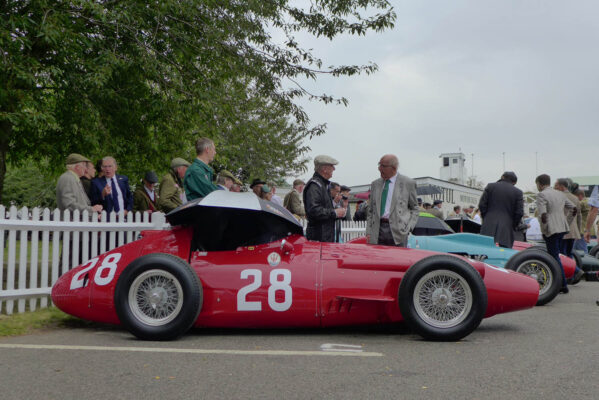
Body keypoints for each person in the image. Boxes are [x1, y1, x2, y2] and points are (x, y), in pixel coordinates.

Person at [366, 154, 419, 247]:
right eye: (379, 164)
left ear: (393, 168)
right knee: (378, 259)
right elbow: (370, 210)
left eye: (383, 166)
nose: (379, 168)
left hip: (398, 232)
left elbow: (415, 208)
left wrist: (409, 227)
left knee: (398, 260)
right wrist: (369, 231)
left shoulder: (408, 183)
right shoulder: (375, 184)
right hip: (377, 230)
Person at [535, 174, 576, 293]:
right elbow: (574, 209)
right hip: (561, 227)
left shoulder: (542, 194)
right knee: (556, 255)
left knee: (554, 257)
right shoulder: (560, 194)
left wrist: (545, 230)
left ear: (539, 184)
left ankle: (562, 284)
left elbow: (543, 215)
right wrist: (566, 222)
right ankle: (561, 283)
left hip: (551, 229)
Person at [303, 155, 346, 242]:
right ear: (324, 169)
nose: (334, 169)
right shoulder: (315, 186)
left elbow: (323, 209)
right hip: (318, 238)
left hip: (323, 236)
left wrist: (338, 212)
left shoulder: (322, 185)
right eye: (332, 166)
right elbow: (314, 210)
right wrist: (334, 213)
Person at [478, 171, 524, 248]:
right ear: (514, 182)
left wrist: (486, 218)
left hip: (488, 225)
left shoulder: (490, 186)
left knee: (484, 251)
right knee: (504, 253)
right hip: (507, 228)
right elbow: (519, 213)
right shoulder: (518, 192)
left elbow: (482, 205)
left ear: (502, 177)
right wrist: (513, 225)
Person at [554, 178, 581, 258]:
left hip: (560, 231)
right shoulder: (575, 198)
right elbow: (579, 216)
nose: (554, 188)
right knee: (570, 254)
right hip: (573, 232)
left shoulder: (557, 197)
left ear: (562, 187)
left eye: (556, 186)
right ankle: (573, 269)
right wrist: (578, 232)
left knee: (561, 255)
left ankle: (571, 270)